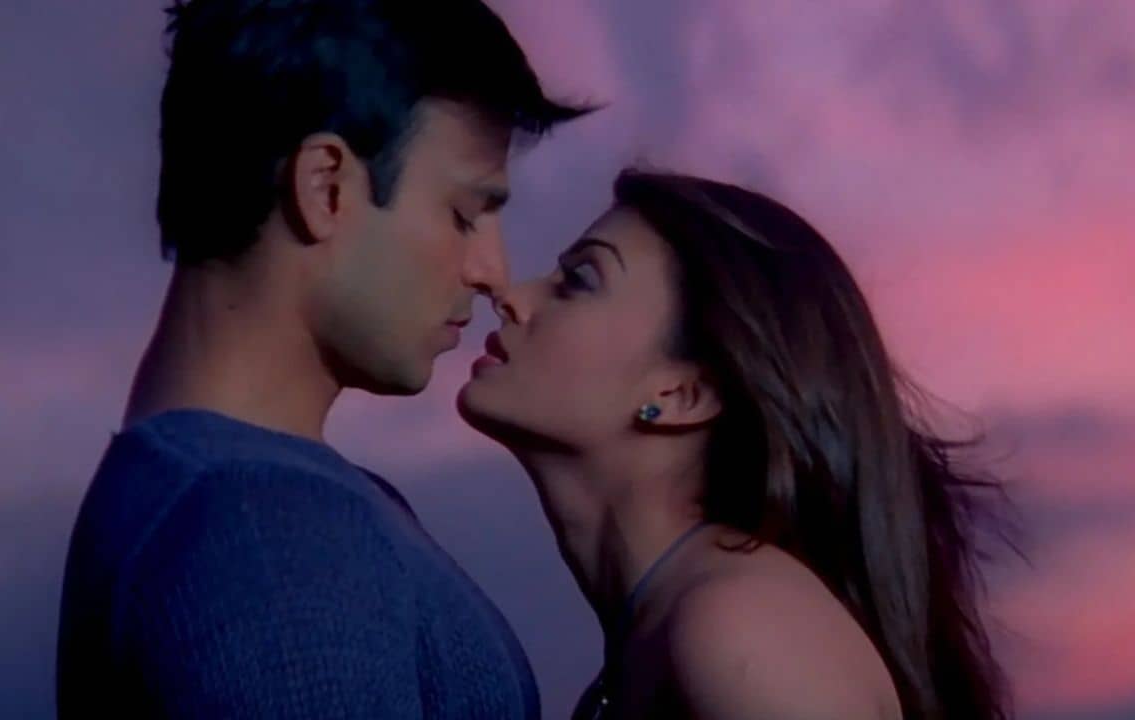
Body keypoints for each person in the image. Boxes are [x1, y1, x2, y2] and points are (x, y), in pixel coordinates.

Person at [55, 0, 592, 716]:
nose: (492, 272)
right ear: (325, 188)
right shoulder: (265, 529)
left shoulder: (217, 497)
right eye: (463, 214)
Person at [459, 168, 1014, 720]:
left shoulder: (737, 627)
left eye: (579, 279)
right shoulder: (674, 631)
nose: (512, 296)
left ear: (683, 394)